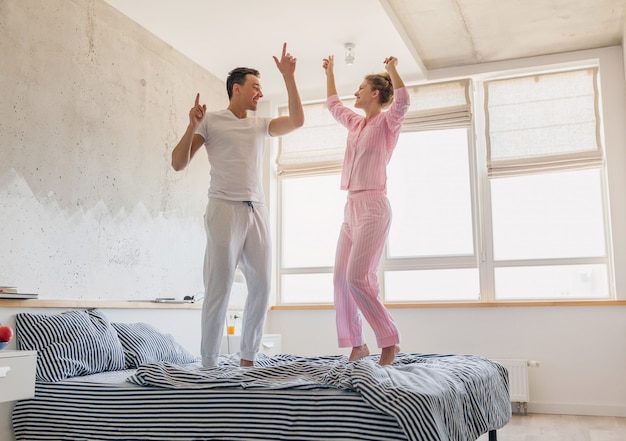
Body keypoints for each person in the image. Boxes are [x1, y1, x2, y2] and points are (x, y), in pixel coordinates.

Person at [172, 43, 304, 368]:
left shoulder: (260, 124)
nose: (260, 93)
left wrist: (289, 77)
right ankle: (209, 363)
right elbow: (178, 163)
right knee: (219, 286)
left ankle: (248, 358)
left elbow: (298, 121)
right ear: (237, 88)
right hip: (223, 208)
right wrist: (191, 125)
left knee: (262, 285)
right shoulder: (211, 121)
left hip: (256, 209)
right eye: (255, 87)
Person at [322, 54, 410, 366]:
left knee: (359, 277)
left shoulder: (388, 123)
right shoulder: (356, 123)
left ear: (375, 93)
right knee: (340, 280)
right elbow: (333, 105)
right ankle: (358, 345)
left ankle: (389, 340)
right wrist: (330, 72)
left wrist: (392, 70)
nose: (355, 93)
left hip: (374, 205)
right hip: (351, 207)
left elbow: (402, 101)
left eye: (361, 87)